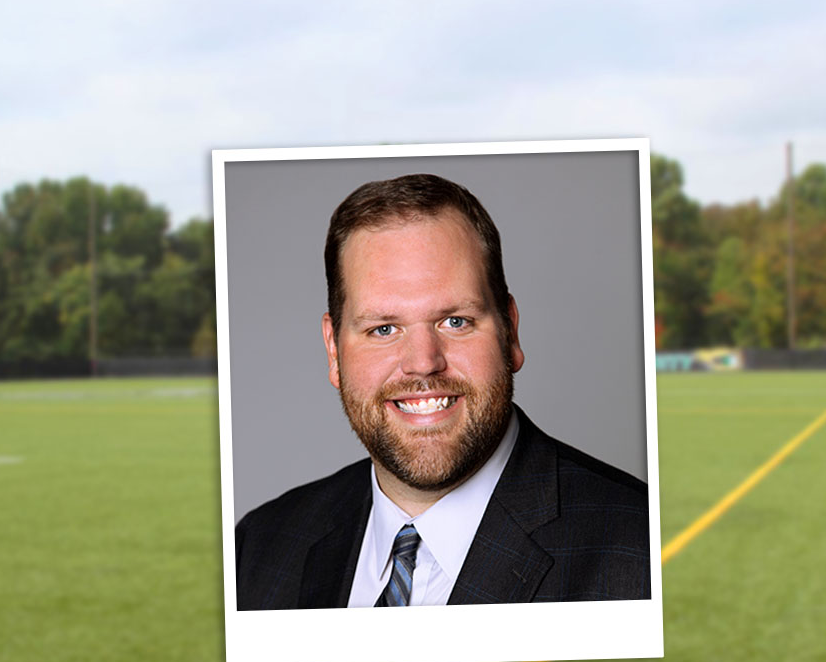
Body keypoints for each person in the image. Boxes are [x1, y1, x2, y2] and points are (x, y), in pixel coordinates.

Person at [235, 173, 650, 609]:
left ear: (510, 332)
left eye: (455, 321)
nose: (422, 362)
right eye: (383, 328)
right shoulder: (259, 548)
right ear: (334, 351)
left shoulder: (640, 552)